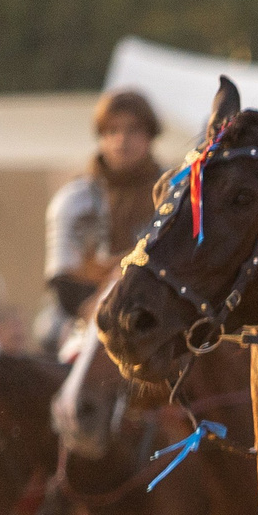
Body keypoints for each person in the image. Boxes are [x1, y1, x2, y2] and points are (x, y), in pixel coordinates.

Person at [43, 88, 162, 342]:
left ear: (149, 135)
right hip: (86, 328)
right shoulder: (75, 201)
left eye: (132, 130)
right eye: (112, 131)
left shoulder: (174, 196)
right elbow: (65, 283)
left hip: (161, 326)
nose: (122, 140)